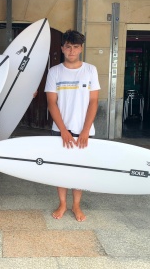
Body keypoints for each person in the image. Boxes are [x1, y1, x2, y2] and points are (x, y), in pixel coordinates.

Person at [44, 29, 100, 222]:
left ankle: (76, 205)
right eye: (68, 47)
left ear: (81, 49)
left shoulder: (90, 70)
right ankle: (62, 203)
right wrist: (63, 131)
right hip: (60, 131)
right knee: (61, 169)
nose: (72, 51)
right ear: (62, 48)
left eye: (76, 47)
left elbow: (94, 102)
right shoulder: (54, 71)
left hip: (84, 131)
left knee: (80, 170)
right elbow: (52, 103)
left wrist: (85, 130)